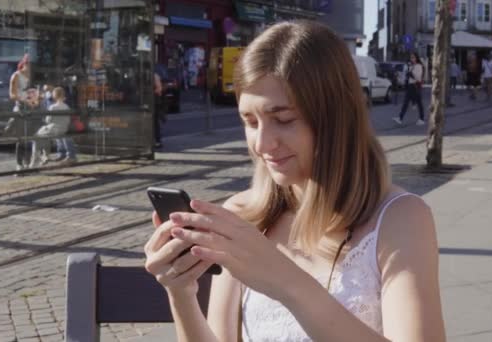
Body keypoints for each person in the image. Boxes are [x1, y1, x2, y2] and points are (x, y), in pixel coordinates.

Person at [144, 20, 445, 342]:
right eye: (250, 121)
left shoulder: (400, 219)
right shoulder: (243, 215)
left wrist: (286, 281)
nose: (262, 144)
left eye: (283, 120)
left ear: (334, 117)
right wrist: (182, 293)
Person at [30, 87, 75, 167]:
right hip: (64, 129)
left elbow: (48, 120)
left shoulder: (53, 107)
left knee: (37, 136)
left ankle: (39, 159)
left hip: (54, 129)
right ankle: (45, 155)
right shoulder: (67, 107)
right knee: (44, 135)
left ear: (54, 96)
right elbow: (68, 120)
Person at [8, 53, 39, 172]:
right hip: (21, 108)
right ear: (24, 63)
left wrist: (36, 99)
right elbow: (12, 94)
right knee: (21, 138)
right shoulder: (16, 75)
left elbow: (35, 93)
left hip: (31, 109)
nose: (30, 68)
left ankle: (27, 163)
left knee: (29, 137)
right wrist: (24, 99)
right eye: (29, 64)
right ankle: (19, 164)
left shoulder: (32, 78)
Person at [392, 53, 426, 126]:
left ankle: (421, 119)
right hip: (411, 86)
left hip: (415, 86)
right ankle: (400, 118)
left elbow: (418, 78)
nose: (412, 59)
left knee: (416, 103)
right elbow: (406, 76)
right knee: (408, 102)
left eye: (413, 57)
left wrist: (411, 75)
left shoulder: (418, 66)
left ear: (416, 58)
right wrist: (401, 75)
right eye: (411, 58)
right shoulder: (411, 66)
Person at [153, 67, 164, 148]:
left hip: (154, 100)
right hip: (155, 100)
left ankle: (157, 141)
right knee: (154, 122)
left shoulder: (154, 76)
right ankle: (156, 140)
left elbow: (159, 89)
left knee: (155, 121)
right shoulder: (155, 75)